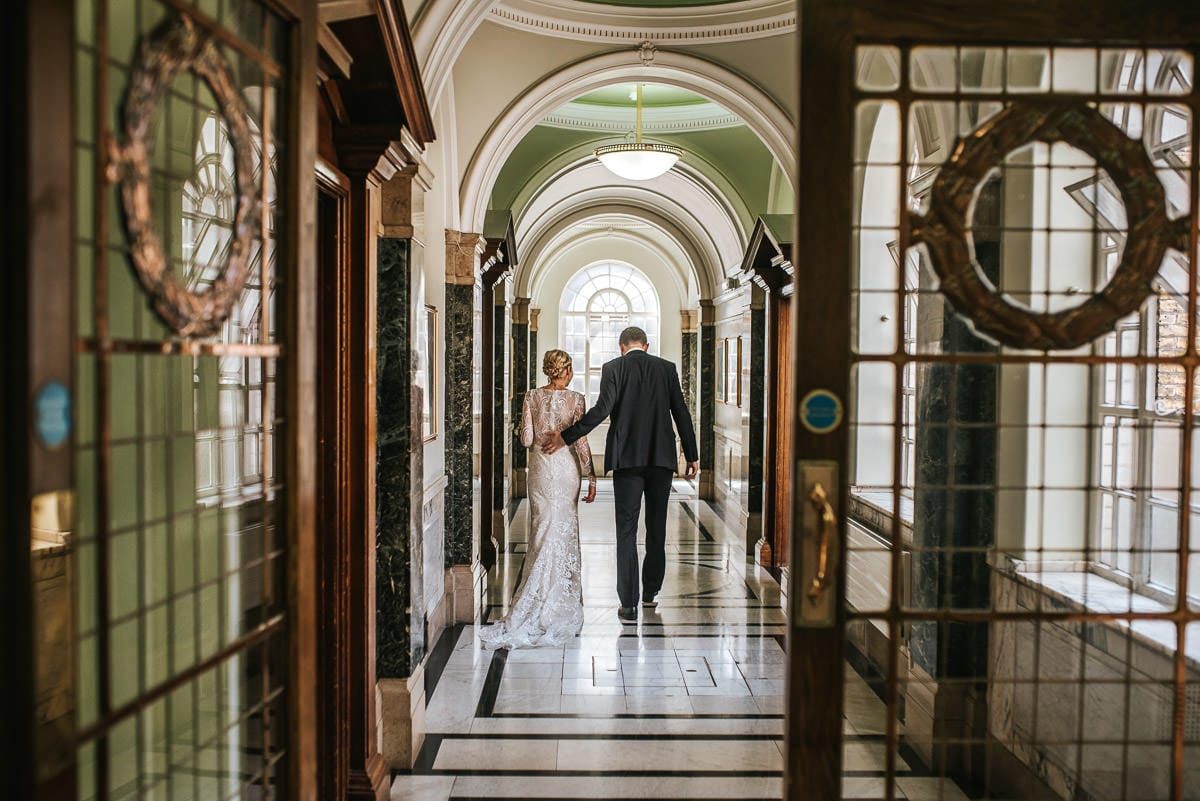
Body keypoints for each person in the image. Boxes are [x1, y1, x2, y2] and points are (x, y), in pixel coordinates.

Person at [542, 326, 698, 623]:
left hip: (626, 459)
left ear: (621, 346)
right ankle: (651, 591)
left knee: (625, 530)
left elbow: (602, 410)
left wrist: (567, 435)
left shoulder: (614, 367)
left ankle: (628, 603)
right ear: (647, 346)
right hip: (661, 460)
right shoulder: (667, 368)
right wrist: (692, 455)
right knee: (657, 526)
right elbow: (681, 412)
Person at [478, 350, 597, 649]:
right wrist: (591, 474)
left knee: (541, 529)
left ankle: (536, 598)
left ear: (548, 371)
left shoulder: (531, 396)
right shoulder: (577, 399)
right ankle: (560, 597)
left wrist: (525, 425)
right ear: (566, 370)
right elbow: (580, 440)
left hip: (542, 470)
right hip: (566, 468)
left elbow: (527, 440)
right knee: (564, 528)